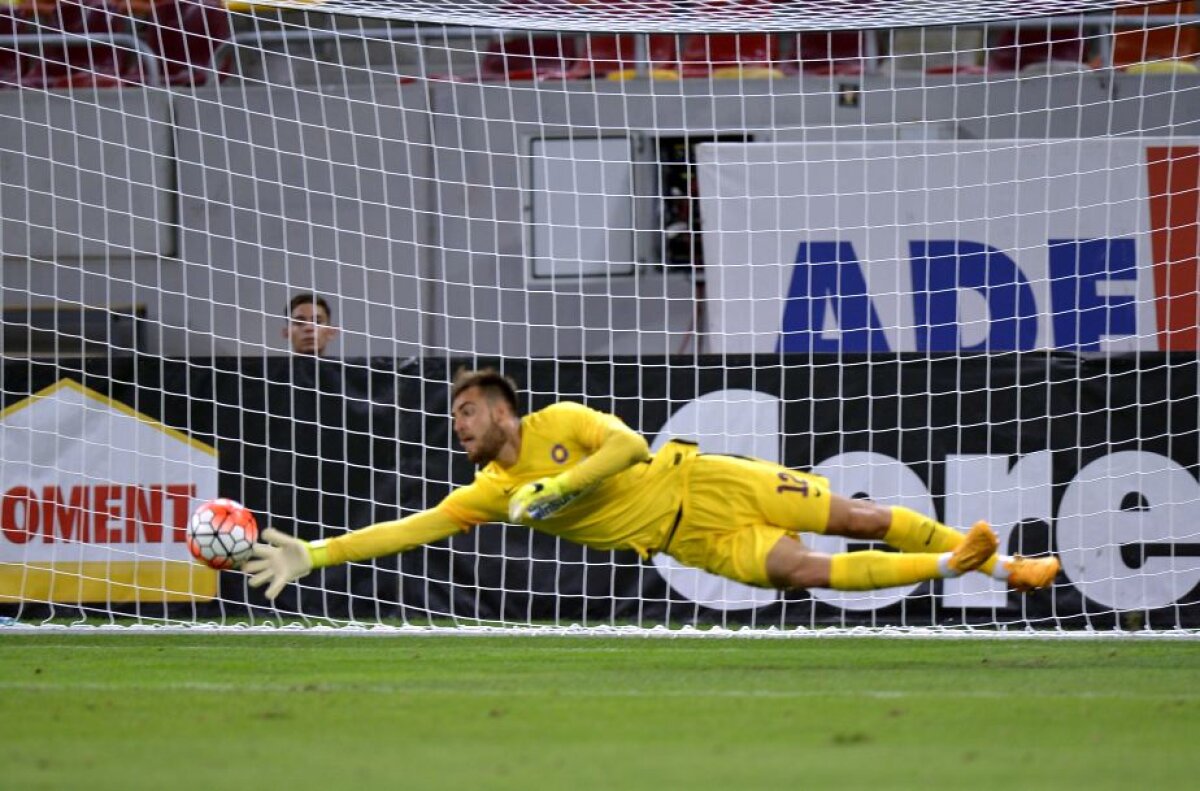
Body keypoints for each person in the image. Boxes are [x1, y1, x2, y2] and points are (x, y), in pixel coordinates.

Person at [245, 368, 1060, 601]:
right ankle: (958, 566)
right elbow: (411, 527)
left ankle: (1002, 566)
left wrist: (556, 492)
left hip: (707, 476)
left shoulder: (561, 420)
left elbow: (633, 443)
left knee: (861, 514)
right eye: (455, 416)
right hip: (691, 538)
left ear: (500, 408)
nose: (457, 426)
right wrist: (315, 554)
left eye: (464, 411)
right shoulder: (489, 491)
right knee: (801, 571)